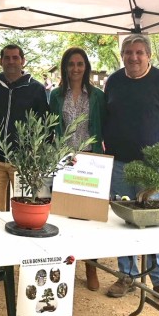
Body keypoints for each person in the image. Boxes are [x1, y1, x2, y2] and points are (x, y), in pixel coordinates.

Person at [103, 33, 159, 309]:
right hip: (119, 165)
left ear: (148, 55)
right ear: (122, 56)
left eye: (139, 52)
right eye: (128, 52)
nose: (133, 57)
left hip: (154, 167)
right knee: (122, 220)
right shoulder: (114, 82)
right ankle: (126, 276)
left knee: (155, 221)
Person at [48, 47, 107, 291]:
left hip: (91, 161)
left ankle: (91, 267)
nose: (75, 69)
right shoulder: (55, 95)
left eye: (80, 64)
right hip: (64, 161)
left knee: (89, 218)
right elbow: (50, 129)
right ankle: (63, 266)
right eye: (71, 64)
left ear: (86, 67)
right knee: (62, 216)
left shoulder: (97, 96)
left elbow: (103, 127)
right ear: (64, 67)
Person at [0, 44, 49, 212]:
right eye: (7, 58)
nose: (11, 61)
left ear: (23, 61)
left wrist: (38, 155)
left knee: (28, 209)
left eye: (15, 58)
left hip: (24, 161)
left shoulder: (36, 89)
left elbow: (44, 123)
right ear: (1, 61)